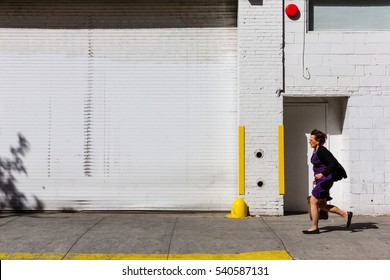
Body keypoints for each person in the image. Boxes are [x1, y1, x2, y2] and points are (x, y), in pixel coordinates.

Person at [303, 129, 352, 234]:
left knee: (313, 201)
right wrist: (317, 177)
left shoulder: (322, 151)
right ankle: (346, 215)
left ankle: (314, 227)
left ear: (318, 141)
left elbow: (333, 163)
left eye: (311, 140)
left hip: (325, 180)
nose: (309, 141)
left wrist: (322, 174)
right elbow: (320, 166)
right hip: (322, 179)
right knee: (322, 206)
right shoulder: (316, 150)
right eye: (309, 139)